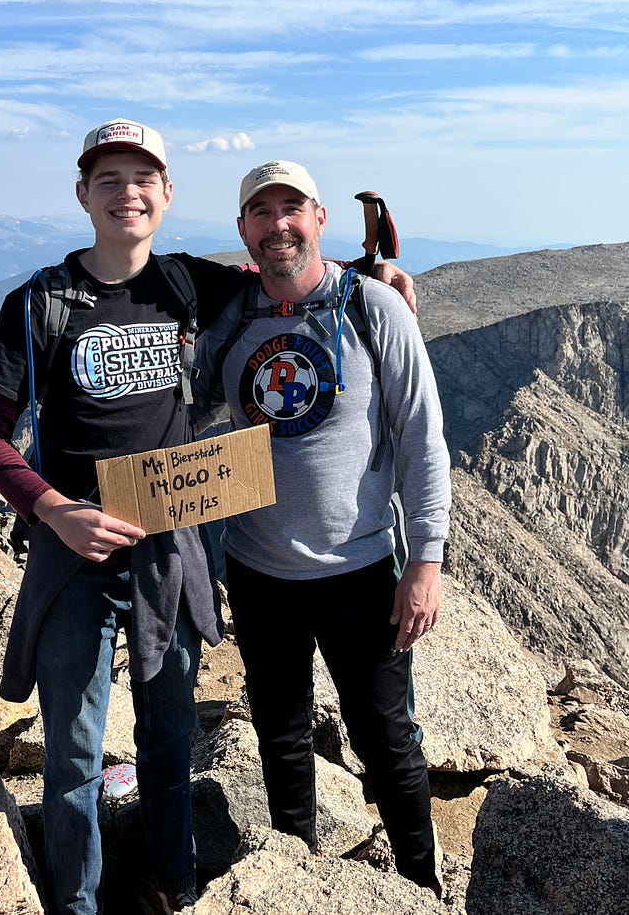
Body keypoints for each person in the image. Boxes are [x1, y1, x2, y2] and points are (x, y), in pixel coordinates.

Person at [0, 122, 414, 915]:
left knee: (168, 740)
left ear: (167, 196)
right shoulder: (38, 301)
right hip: (75, 558)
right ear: (82, 196)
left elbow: (291, 274)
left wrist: (375, 278)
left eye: (143, 178)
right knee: (71, 755)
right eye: (109, 179)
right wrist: (54, 509)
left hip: (170, 553)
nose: (127, 192)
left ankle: (173, 887)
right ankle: (80, 903)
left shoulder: (191, 285)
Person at [191, 158, 451, 895]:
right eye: (262, 212)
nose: (279, 225)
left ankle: (421, 887)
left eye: (292, 209)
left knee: (388, 741)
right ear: (243, 230)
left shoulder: (374, 307)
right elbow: (191, 412)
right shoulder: (233, 318)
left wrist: (424, 562)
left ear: (319, 220)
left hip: (361, 570)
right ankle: (297, 883)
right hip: (258, 567)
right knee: (280, 736)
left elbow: (423, 436)